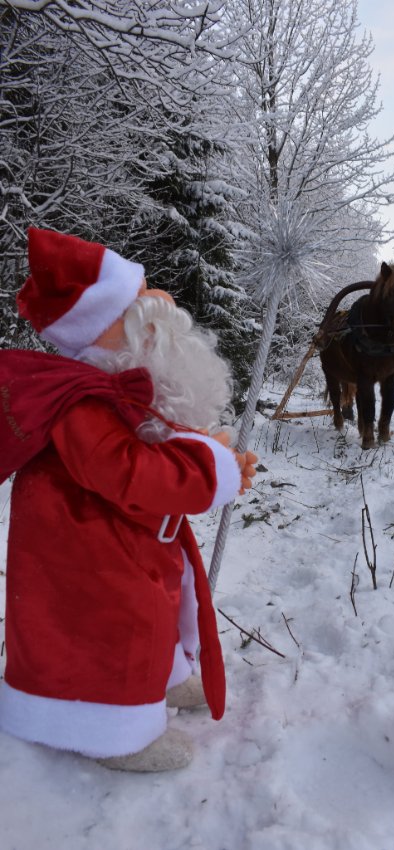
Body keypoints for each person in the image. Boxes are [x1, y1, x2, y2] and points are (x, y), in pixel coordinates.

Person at [0, 227, 257, 772]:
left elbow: (149, 441)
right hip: (87, 553)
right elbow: (130, 472)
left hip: (121, 540)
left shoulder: (109, 387)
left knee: (157, 603)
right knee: (120, 620)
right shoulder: (81, 404)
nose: (158, 301)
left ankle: (160, 677)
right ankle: (113, 730)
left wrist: (211, 454)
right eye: (137, 303)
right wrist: (208, 472)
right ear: (104, 331)